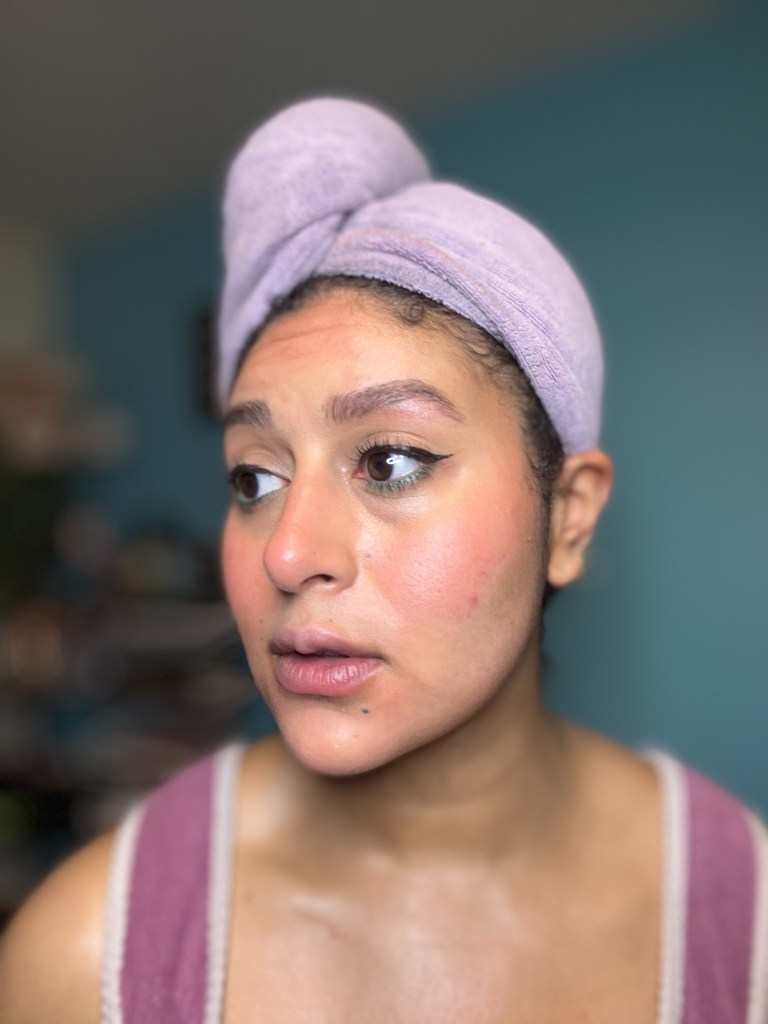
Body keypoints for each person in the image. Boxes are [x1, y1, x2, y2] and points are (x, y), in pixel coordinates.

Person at [1, 97, 766, 1024]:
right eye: (253, 478)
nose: (288, 553)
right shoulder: (84, 961)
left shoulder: (747, 925)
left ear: (567, 518)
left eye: (391, 461)